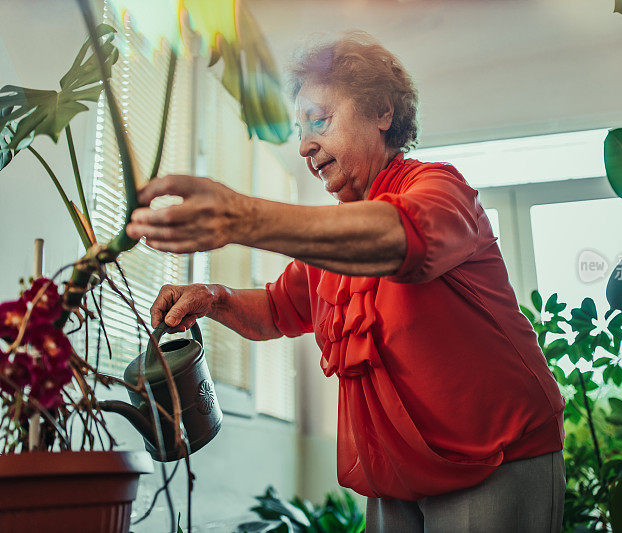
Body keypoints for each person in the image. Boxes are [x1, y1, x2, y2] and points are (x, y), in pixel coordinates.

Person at [125, 31, 566, 532]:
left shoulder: (438, 187)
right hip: (397, 477)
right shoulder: (334, 238)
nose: (306, 145)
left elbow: (400, 238)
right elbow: (275, 310)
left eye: (320, 120)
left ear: (381, 111)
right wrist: (213, 298)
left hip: (495, 458)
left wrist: (243, 218)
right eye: (300, 129)